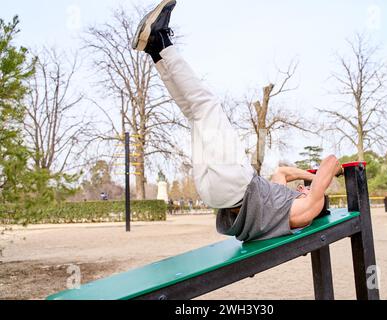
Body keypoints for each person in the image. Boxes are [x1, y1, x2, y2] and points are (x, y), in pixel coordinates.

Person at [132, 0, 344, 242]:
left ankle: (160, 41)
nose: (304, 189)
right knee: (195, 113)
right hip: (218, 193)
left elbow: (331, 161)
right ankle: (155, 48)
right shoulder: (280, 202)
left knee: (206, 104)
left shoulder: (305, 211)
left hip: (237, 187)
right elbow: (282, 172)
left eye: (309, 191)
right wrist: (309, 177)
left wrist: (329, 175)